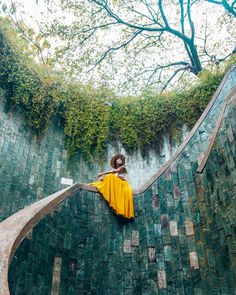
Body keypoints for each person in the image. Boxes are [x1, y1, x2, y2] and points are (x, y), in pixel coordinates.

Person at [89, 154, 134, 219]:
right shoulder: (116, 173)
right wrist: (103, 178)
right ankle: (101, 183)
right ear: (115, 162)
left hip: (124, 185)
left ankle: (102, 182)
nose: (119, 160)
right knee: (109, 177)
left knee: (110, 176)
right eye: (117, 159)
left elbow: (114, 171)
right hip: (119, 184)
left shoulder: (123, 168)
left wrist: (102, 173)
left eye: (120, 159)